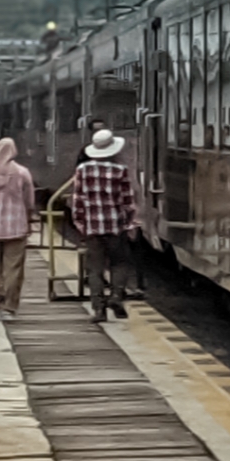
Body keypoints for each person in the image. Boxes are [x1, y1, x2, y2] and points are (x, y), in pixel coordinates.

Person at [66, 128, 140, 320]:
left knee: (95, 267)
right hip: (116, 226)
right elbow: (127, 201)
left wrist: (80, 224)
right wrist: (130, 223)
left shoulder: (82, 170)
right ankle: (116, 296)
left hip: (92, 227)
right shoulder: (120, 171)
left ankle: (99, 309)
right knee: (119, 263)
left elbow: (78, 200)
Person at [0, 133, 38, 318]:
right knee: (13, 266)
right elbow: (29, 201)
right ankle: (9, 307)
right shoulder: (22, 172)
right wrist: (29, 216)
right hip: (16, 225)